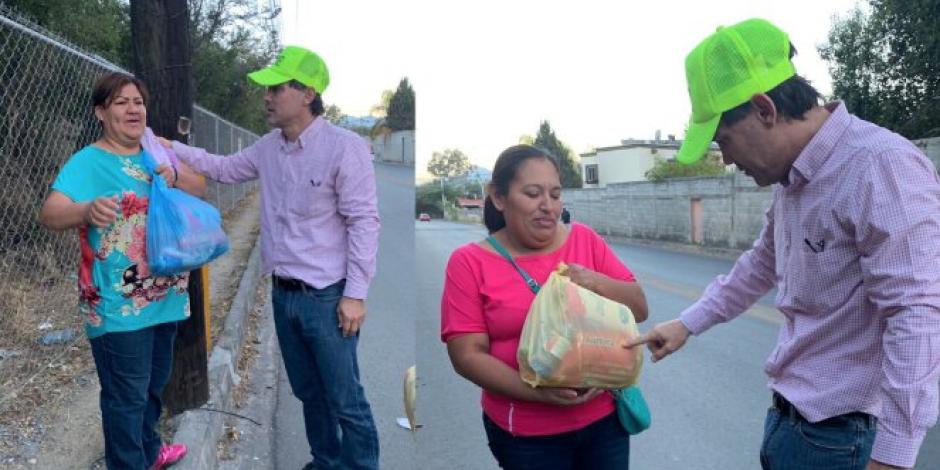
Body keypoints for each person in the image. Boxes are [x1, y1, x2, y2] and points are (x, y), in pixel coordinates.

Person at [628, 18, 940, 470]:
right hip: (793, 421)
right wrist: (687, 323)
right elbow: (762, 263)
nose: (729, 159)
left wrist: (891, 458)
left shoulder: (880, 167)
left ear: (764, 110)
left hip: (847, 438)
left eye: (725, 141)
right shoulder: (791, 179)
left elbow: (918, 314)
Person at [160, 46, 380, 470]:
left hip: (328, 298)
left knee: (345, 398)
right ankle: (326, 461)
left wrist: (355, 294)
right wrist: (171, 147)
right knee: (309, 393)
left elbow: (364, 222)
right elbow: (222, 167)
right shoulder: (269, 148)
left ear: (307, 93)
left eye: (276, 88)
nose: (266, 97)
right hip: (283, 294)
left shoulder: (343, 148)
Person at [441, 144, 649, 470]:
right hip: (526, 435)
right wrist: (538, 394)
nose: (547, 207)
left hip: (604, 423)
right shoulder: (469, 262)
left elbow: (638, 307)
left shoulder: (585, 240)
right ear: (499, 197)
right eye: (533, 193)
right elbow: (467, 356)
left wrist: (593, 282)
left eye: (555, 194)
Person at [38, 72, 205, 470]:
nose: (133, 109)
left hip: (165, 296)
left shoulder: (156, 151)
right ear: (100, 112)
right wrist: (85, 210)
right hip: (116, 304)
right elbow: (49, 213)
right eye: (121, 102)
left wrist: (176, 175)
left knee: (151, 388)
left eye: (138, 102)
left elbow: (201, 188)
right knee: (125, 396)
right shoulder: (89, 161)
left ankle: (148, 453)